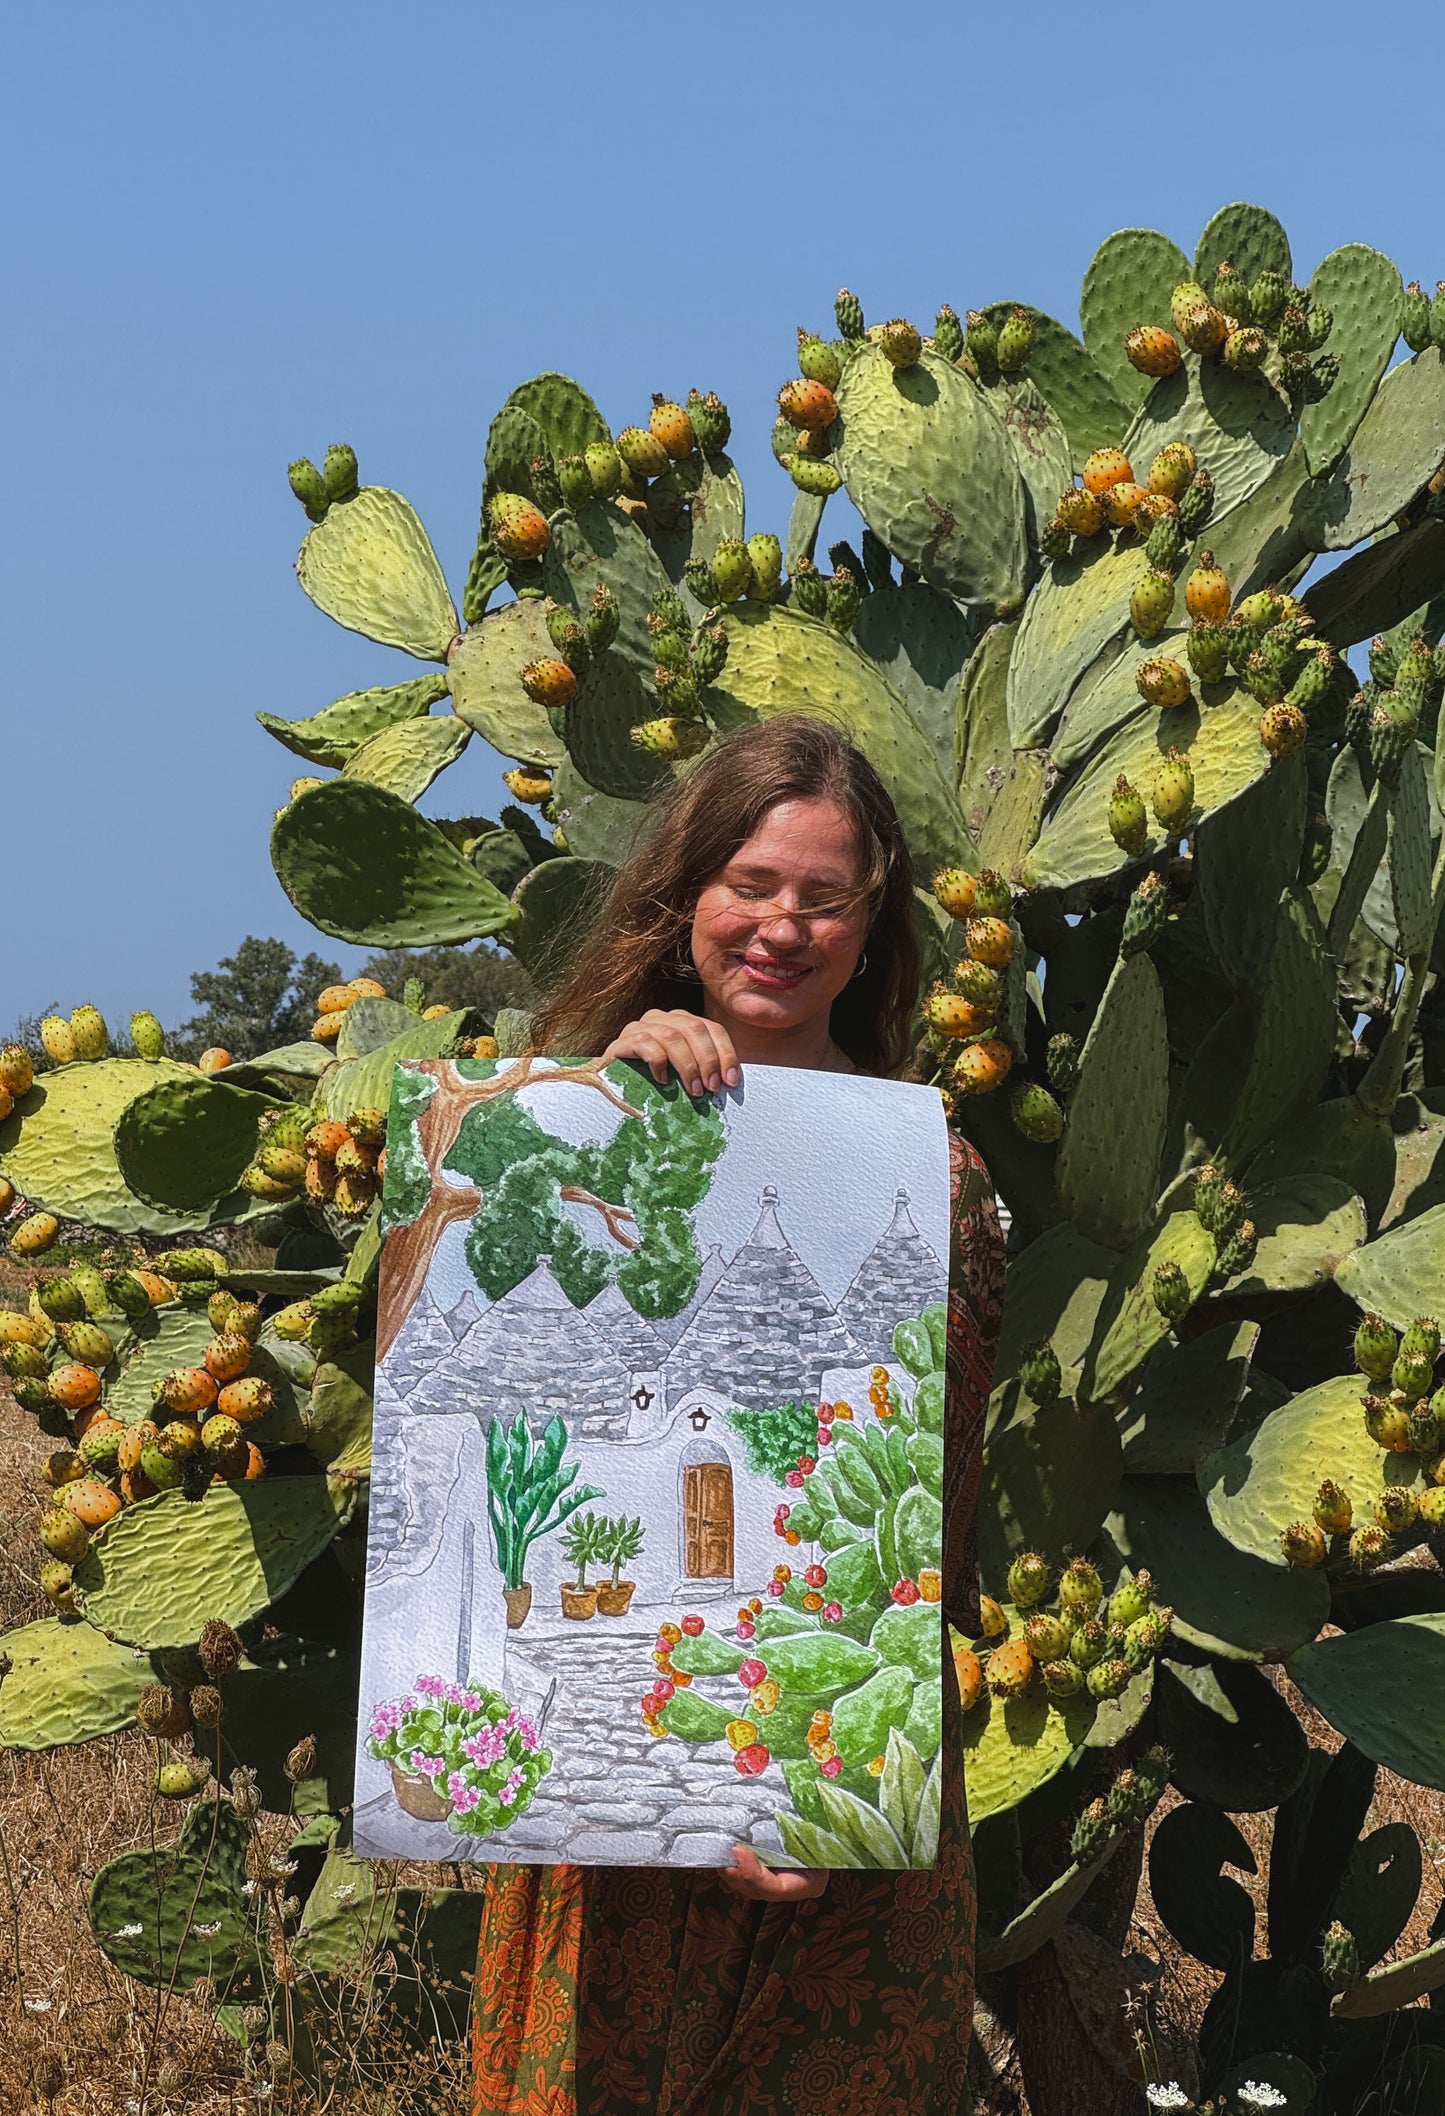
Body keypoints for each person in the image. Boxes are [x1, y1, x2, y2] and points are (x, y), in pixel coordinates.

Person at [471, 713, 1005, 2116]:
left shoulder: (924, 1181)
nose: (782, 927)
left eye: (825, 897)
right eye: (750, 886)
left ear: (870, 921)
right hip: (618, 1812)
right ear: (685, 897)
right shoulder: (584, 1127)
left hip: (835, 1788)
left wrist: (812, 1791)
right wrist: (607, 1081)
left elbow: (908, 1521)